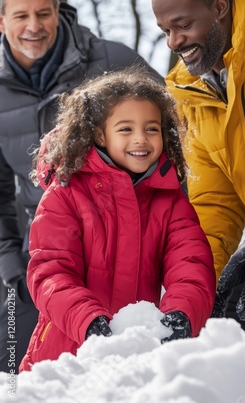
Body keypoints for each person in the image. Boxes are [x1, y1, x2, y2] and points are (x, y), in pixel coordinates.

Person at [0, 0, 162, 373]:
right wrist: (11, 266)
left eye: (43, 12)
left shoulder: (112, 61)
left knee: (124, 369)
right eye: (21, 15)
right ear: (2, 20)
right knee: (23, 372)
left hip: (124, 246)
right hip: (43, 255)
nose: (33, 26)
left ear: (59, 10)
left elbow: (175, 144)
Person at [18, 68, 216, 371]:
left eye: (152, 129)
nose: (141, 139)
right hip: (67, 353)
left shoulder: (170, 199)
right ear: (100, 134)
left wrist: (182, 314)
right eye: (125, 129)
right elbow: (50, 272)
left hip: (139, 352)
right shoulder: (66, 195)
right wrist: (88, 321)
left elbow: (190, 264)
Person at [140, 0, 245, 337]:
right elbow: (213, 209)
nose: (173, 42)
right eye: (165, 30)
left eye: (182, 24)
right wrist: (196, 294)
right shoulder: (192, 96)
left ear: (219, 6)